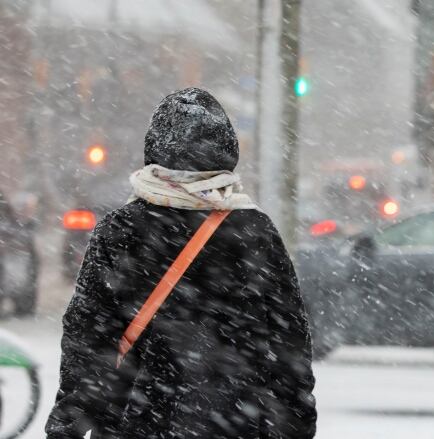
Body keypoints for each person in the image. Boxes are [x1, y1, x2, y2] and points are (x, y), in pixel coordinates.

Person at [46, 88, 316, 439]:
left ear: (156, 149)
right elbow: (289, 342)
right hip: (239, 422)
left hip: (137, 421)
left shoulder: (121, 229)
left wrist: (68, 423)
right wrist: (296, 423)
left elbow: (87, 337)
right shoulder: (253, 231)